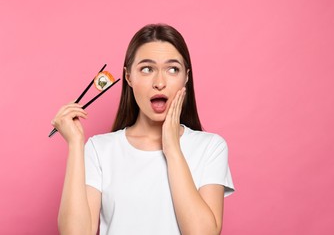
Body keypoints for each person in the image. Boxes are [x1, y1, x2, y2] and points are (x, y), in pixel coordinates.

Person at [52, 24, 234, 235]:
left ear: (186, 77)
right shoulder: (99, 149)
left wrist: (172, 148)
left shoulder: (210, 147)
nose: (159, 82)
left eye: (173, 69)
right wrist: (75, 145)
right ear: (129, 77)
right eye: (147, 69)